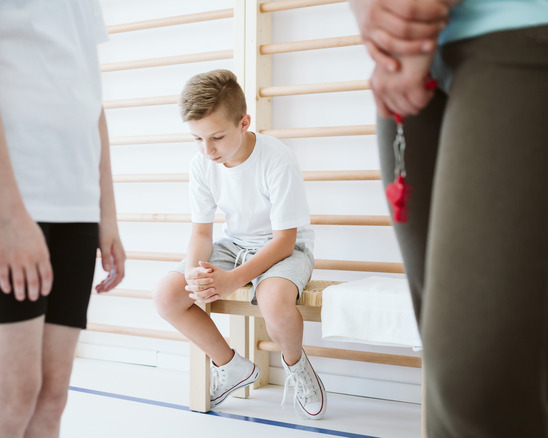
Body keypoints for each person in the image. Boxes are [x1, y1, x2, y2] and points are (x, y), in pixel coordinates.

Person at [349, 1, 548, 436]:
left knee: (477, 384)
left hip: (521, 28)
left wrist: (413, 21)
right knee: (445, 384)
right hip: (414, 65)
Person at [0, 1, 126, 437]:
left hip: (75, 202)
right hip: (6, 196)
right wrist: (1, 210)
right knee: (10, 396)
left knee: (52, 396)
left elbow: (92, 99)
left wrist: (106, 211)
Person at [153, 69, 326, 420]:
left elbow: (284, 241)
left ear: (244, 122)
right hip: (236, 244)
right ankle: (230, 365)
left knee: (275, 302)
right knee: (168, 294)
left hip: (285, 248)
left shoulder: (276, 159)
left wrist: (231, 280)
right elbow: (201, 234)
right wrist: (193, 274)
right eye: (198, 139)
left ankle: (294, 362)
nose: (207, 149)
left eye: (216, 137)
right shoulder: (202, 164)